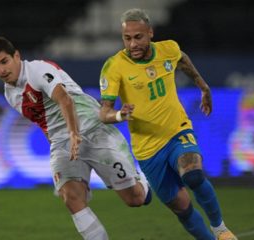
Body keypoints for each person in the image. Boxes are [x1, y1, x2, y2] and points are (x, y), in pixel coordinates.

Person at [0, 36, 151, 240]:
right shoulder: (10, 94)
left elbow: (65, 99)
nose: (1, 70)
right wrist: (59, 143)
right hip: (63, 143)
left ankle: (144, 180)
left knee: (135, 199)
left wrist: (74, 133)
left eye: (4, 61)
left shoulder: (37, 70)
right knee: (70, 197)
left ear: (16, 56)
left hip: (91, 129)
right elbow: (43, 123)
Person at [98, 8, 237, 240]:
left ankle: (220, 229)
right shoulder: (114, 66)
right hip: (147, 149)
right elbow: (104, 113)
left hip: (177, 131)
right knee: (181, 207)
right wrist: (120, 116)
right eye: (127, 38)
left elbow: (182, 59)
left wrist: (203, 86)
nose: (133, 44)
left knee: (192, 174)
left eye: (138, 37)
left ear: (150, 33)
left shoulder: (168, 49)